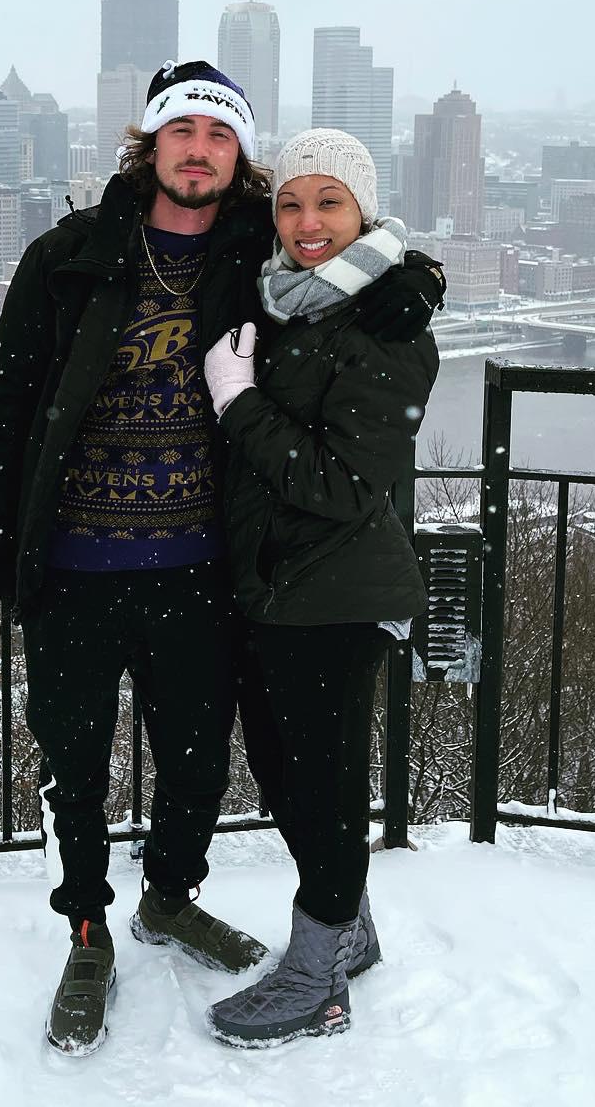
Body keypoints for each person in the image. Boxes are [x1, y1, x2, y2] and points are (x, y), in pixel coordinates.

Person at [0, 65, 445, 1056]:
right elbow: (8, 411)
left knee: (197, 758)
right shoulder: (68, 255)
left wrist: (409, 282)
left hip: (203, 564)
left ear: (240, 156)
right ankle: (90, 929)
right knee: (76, 762)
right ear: (147, 145)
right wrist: (2, 554)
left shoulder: (253, 250)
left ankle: (172, 898)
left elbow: (348, 268)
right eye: (180, 130)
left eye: (220, 134)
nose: (199, 148)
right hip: (72, 565)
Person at [199, 127, 439, 1049]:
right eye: (292, 202)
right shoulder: (287, 299)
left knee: (322, 785)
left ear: (362, 212)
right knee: (284, 769)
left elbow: (342, 483)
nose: (306, 221)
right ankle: (351, 926)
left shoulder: (384, 319)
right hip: (283, 585)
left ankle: (316, 978)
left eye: (329, 203)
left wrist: (238, 401)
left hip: (339, 591)